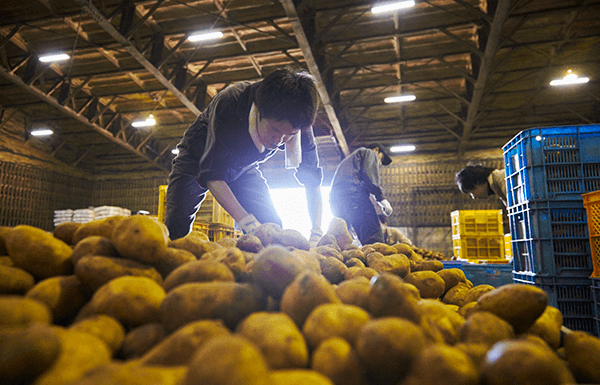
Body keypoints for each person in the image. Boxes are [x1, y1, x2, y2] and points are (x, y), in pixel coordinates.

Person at [164, 68, 324, 243]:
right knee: (177, 226)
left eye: (289, 135)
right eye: (275, 130)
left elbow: (312, 179)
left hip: (243, 168)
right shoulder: (231, 103)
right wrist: (246, 222)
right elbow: (212, 173)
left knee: (271, 227)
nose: (279, 140)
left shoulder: (299, 122)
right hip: (195, 161)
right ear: (261, 111)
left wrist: (317, 231)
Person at [329, 143, 393, 245]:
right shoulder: (369, 152)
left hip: (335, 199)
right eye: (381, 159)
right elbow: (369, 177)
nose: (379, 163)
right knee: (373, 237)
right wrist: (382, 199)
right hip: (353, 193)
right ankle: (376, 258)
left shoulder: (349, 161)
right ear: (376, 150)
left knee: (343, 238)